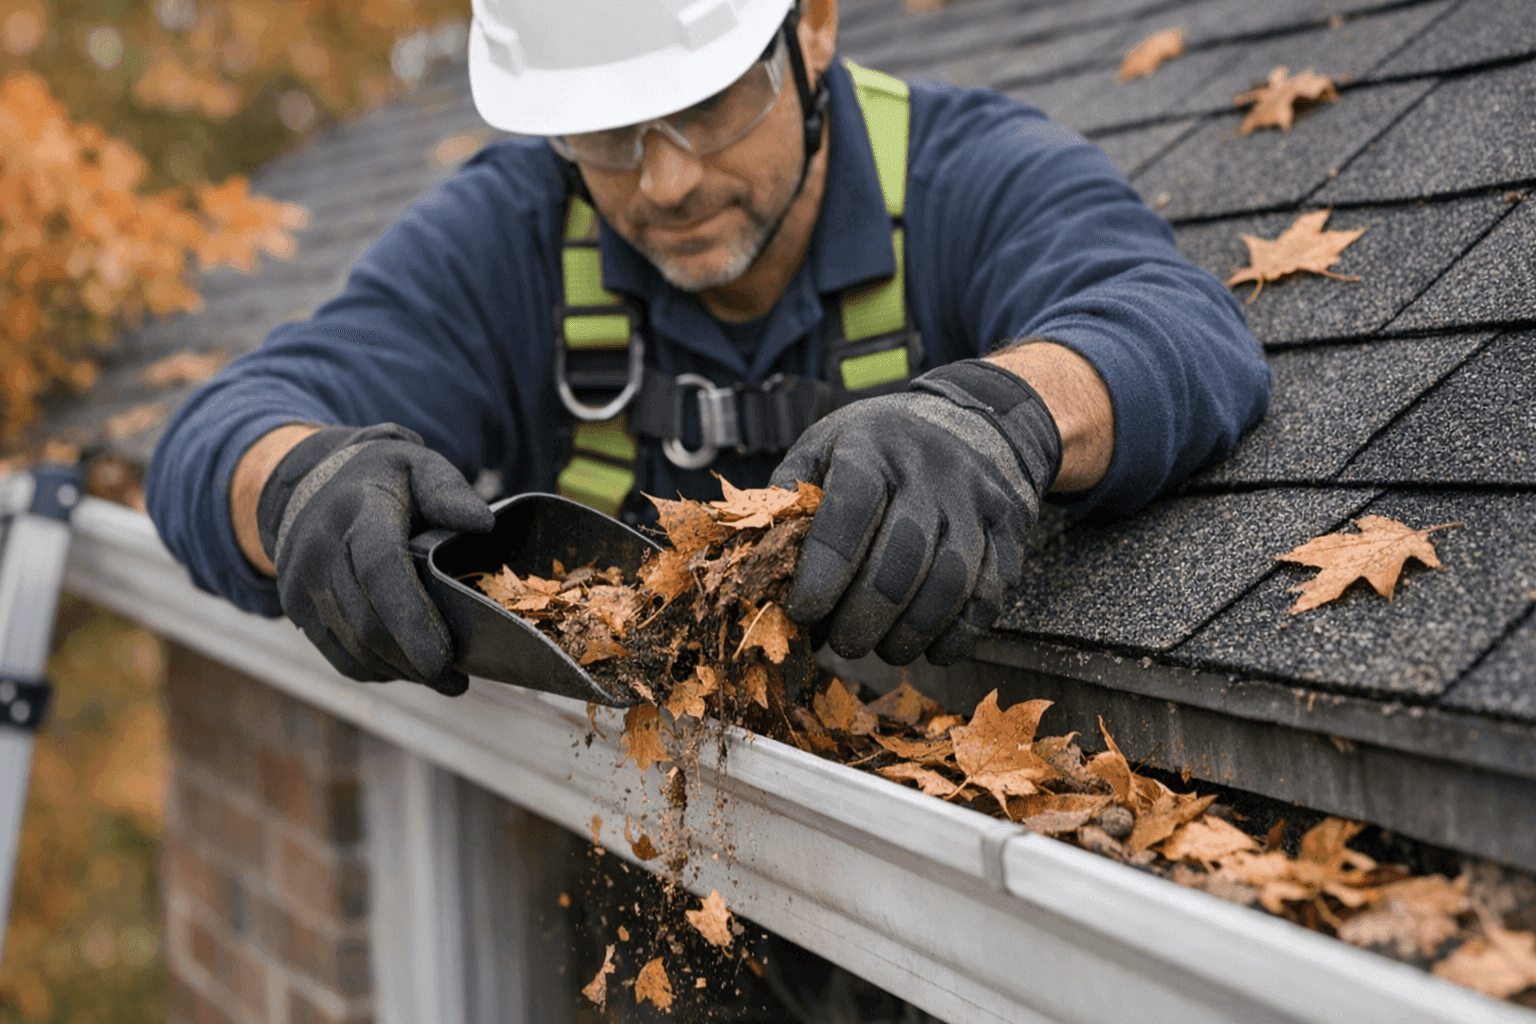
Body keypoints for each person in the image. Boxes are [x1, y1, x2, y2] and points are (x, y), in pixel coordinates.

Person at [147, 0, 1270, 698]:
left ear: (814, 28)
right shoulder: (515, 233)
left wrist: (1003, 415)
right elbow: (217, 432)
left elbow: (1171, 320)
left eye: (708, 105)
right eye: (608, 133)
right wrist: (296, 484)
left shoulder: (965, 174)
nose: (667, 178)